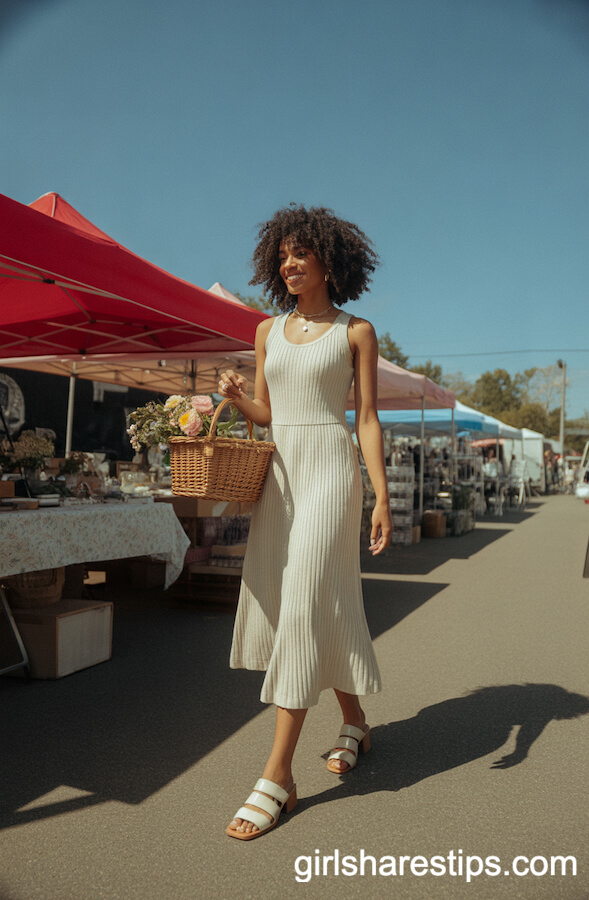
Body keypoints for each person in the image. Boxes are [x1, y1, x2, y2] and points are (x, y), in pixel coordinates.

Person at [218, 204, 392, 841]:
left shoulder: (355, 332)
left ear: (329, 261)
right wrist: (239, 399)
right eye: (282, 256)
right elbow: (267, 415)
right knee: (331, 604)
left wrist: (381, 495)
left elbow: (366, 418)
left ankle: (278, 775)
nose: (289, 264)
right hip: (281, 481)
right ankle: (355, 723)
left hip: (330, 477)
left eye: (301, 254)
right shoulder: (266, 331)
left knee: (303, 604)